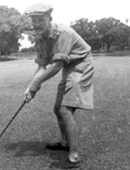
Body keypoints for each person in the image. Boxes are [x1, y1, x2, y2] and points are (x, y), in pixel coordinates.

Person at [24, 3, 94, 169]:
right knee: (58, 108)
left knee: (65, 109)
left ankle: (74, 157)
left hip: (81, 64)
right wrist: (30, 88)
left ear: (50, 19)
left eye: (41, 19)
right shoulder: (40, 41)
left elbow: (57, 65)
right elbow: (41, 67)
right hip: (69, 67)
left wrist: (36, 84)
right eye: (34, 20)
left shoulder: (62, 32)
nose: (37, 24)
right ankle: (64, 143)